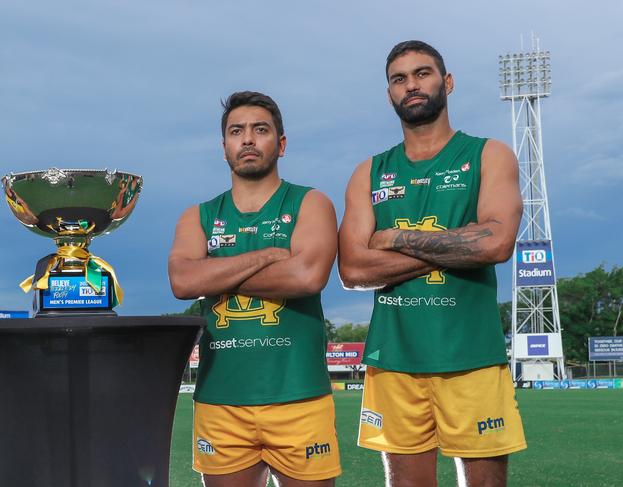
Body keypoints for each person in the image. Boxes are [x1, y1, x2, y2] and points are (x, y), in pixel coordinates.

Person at [338, 41, 527, 487]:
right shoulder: (369, 172)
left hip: (472, 354)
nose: (411, 85)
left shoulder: (488, 155)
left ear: (448, 82)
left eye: (422, 73)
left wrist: (395, 240)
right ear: (389, 94)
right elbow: (352, 269)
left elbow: (496, 242)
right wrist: (454, 243)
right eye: (399, 79)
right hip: (394, 357)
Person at [168, 91, 341, 487]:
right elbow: (183, 281)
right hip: (220, 400)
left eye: (260, 130)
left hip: (299, 396)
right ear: (224, 147)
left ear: (280, 144)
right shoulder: (198, 215)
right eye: (236, 131)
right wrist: (266, 256)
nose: (247, 139)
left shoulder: (311, 203)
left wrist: (214, 270)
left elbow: (307, 277)